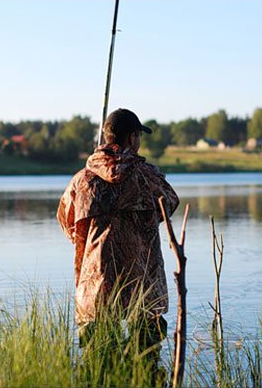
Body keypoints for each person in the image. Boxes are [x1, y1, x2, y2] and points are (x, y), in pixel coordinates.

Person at [57, 108, 179, 350]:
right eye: (139, 137)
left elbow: (66, 222)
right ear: (132, 138)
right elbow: (169, 203)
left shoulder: (82, 180)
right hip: (143, 283)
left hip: (96, 284)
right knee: (146, 365)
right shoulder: (147, 177)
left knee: (97, 368)